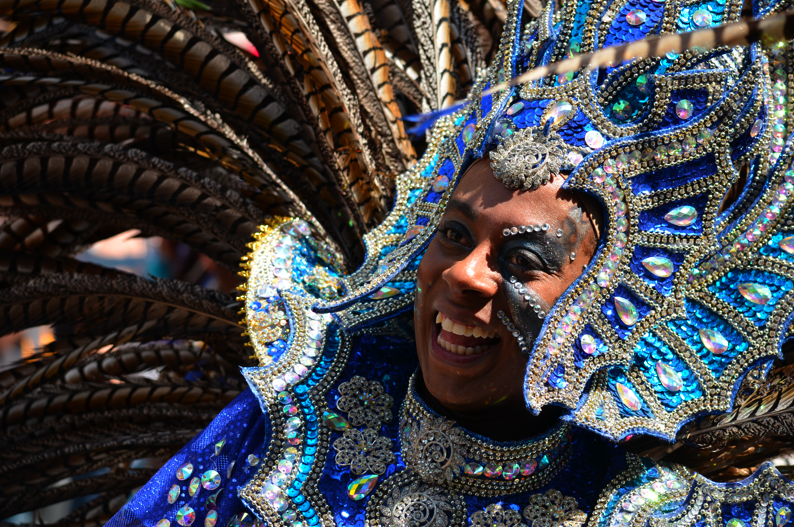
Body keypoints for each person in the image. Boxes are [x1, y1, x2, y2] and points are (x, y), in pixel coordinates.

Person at [1, 0, 794, 525]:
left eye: (522, 259)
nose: (465, 274)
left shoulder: (654, 510)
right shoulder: (298, 424)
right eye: (453, 235)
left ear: (615, 301)